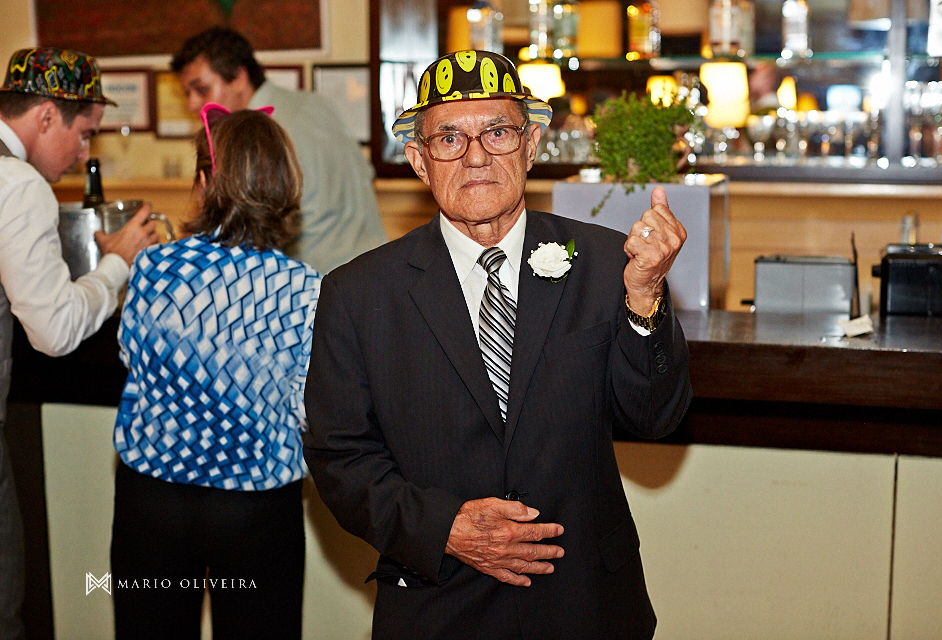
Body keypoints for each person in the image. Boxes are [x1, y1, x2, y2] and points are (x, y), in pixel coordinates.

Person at [303, 50, 693, 640]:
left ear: (532, 145)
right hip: (438, 607)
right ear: (419, 160)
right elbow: (340, 460)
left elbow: (655, 418)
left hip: (584, 604)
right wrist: (446, 529)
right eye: (450, 139)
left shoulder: (609, 265)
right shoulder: (357, 295)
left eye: (497, 132)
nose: (477, 156)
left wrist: (644, 299)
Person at [109, 105, 322, 640]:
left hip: (153, 502)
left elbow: (132, 358)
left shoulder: (154, 267)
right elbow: (306, 408)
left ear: (205, 182)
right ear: (282, 185)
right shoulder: (305, 287)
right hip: (254, 511)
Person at [0, 46, 158, 640]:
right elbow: (57, 331)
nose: (86, 152)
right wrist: (116, 264)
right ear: (45, 116)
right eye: (85, 133)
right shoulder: (18, 184)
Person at [171, 26, 386, 275]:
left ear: (239, 78)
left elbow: (250, 231)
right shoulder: (317, 104)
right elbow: (366, 177)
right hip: (378, 268)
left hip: (320, 284)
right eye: (187, 93)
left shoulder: (261, 136)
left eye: (201, 89)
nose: (192, 104)